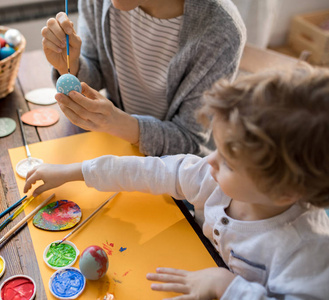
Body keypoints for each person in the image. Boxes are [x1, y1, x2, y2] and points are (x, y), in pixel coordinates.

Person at [23, 65, 329, 299]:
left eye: (230, 163)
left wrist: (227, 286)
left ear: (284, 191)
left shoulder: (309, 252)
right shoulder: (211, 179)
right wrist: (72, 171)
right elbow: (145, 171)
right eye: (218, 148)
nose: (210, 160)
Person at [41, 0, 246, 156]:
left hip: (179, 172)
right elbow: (96, 73)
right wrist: (70, 64)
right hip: (117, 146)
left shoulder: (221, 31)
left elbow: (190, 141)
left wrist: (117, 123)